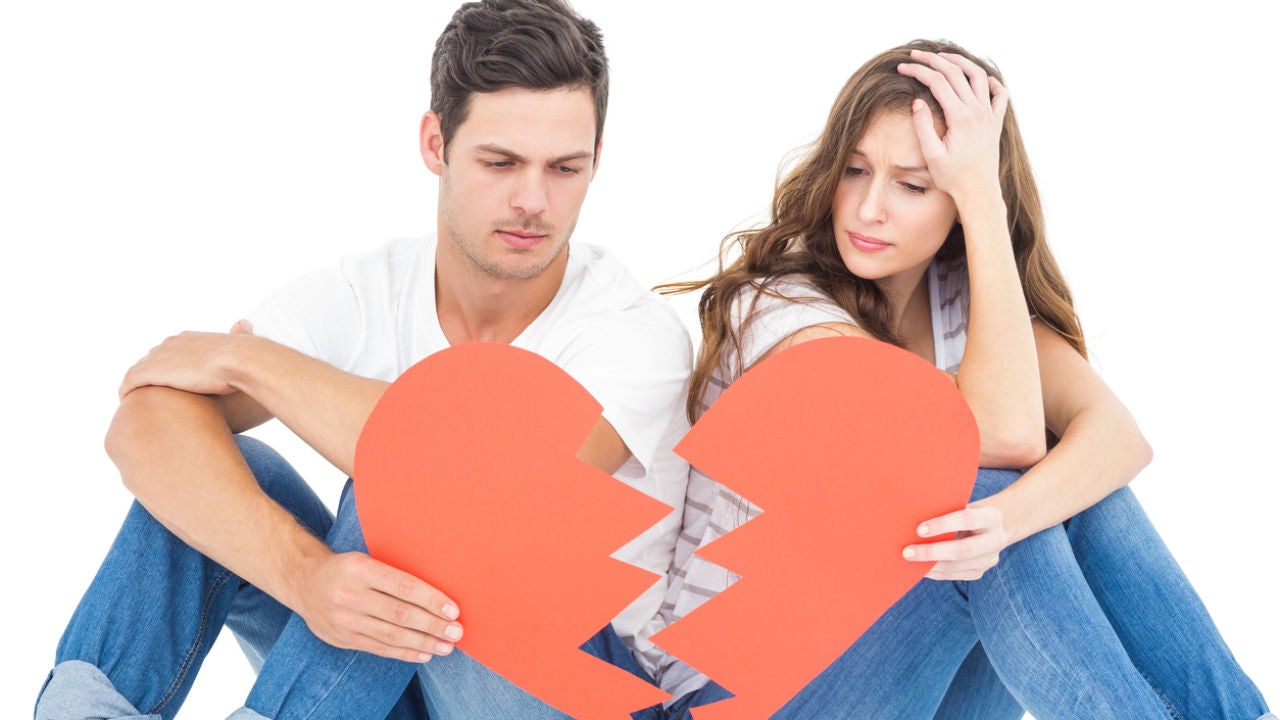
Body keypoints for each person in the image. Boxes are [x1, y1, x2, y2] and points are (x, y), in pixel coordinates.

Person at [33, 1, 693, 718]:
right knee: (225, 472)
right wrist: (305, 575)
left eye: (565, 168)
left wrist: (248, 360)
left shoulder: (634, 334)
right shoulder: (369, 288)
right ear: (436, 144)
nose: (533, 200)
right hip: (388, 677)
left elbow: (485, 482)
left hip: (579, 695)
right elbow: (144, 425)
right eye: (500, 163)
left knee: (413, 497)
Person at [653, 39, 1274, 719]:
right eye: (855, 171)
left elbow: (1120, 441)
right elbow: (1003, 438)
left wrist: (1009, 519)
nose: (868, 208)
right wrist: (979, 197)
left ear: (959, 203)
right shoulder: (779, 308)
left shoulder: (967, 307)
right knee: (980, 497)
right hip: (734, 693)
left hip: (891, 674)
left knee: (1070, 496)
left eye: (914, 185)